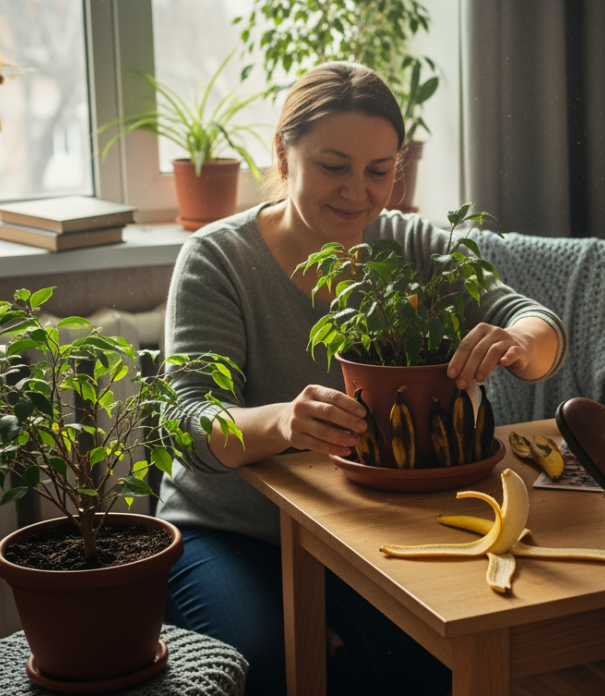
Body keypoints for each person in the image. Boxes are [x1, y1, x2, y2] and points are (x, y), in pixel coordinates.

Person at [158, 62, 567, 695]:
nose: (359, 192)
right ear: (282, 153)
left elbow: (536, 322)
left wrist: (518, 342)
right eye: (333, 166)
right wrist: (283, 423)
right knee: (263, 665)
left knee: (436, 660)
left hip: (376, 527)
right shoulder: (217, 259)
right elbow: (185, 420)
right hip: (233, 532)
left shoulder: (413, 244)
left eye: (380, 171)